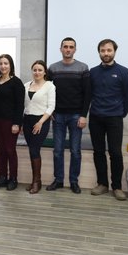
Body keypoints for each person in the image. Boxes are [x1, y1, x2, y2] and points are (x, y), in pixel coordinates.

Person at [89, 39, 128, 201]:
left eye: (109, 50)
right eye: (103, 50)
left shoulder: (124, 72)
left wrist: (121, 113)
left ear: (114, 51)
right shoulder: (93, 72)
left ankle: (117, 187)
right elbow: (88, 94)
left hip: (115, 118)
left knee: (115, 153)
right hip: (95, 118)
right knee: (98, 152)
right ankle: (102, 184)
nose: (106, 53)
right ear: (99, 52)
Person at [47, 37, 91, 194]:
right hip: (57, 115)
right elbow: (47, 91)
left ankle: (74, 181)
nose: (68, 49)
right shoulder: (52, 69)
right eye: (65, 47)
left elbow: (87, 94)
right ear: (60, 49)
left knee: (75, 151)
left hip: (75, 116)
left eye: (71, 47)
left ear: (75, 50)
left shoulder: (83, 68)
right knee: (57, 151)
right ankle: (58, 180)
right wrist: (50, 111)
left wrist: (83, 115)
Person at [0, 54, 25, 191]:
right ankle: (2, 176)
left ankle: (13, 178)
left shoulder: (16, 82)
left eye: (6, 63)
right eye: (1, 64)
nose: (3, 66)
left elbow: (20, 105)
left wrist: (17, 123)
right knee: (1, 150)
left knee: (10, 150)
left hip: (10, 122)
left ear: (11, 66)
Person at [23, 60, 56, 194]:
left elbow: (51, 106)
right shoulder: (26, 85)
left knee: (35, 150)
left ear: (44, 72)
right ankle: (35, 181)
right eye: (35, 70)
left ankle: (37, 181)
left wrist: (41, 122)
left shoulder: (49, 86)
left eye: (40, 70)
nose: (37, 72)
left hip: (41, 121)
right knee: (32, 150)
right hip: (27, 120)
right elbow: (23, 105)